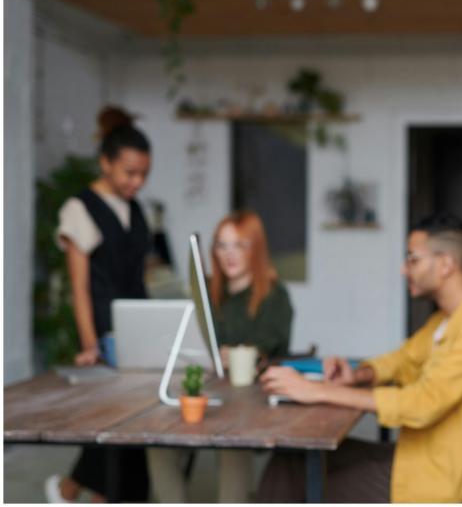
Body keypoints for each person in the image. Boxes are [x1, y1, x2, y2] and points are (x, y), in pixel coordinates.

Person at [256, 213, 462, 503]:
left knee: (300, 481)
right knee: (290, 459)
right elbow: (402, 360)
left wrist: (317, 391)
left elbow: (422, 404)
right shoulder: (448, 320)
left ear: (446, 264)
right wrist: (359, 375)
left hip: (443, 479)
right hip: (418, 456)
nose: (404, 269)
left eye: (413, 259)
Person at [146, 210, 294, 503]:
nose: (229, 254)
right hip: (207, 386)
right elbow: (194, 336)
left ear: (256, 248)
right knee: (156, 437)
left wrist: (237, 354)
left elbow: (267, 343)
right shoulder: (208, 292)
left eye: (239, 245)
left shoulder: (275, 294)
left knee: (232, 439)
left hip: (251, 395)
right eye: (222, 245)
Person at [46, 106, 152, 503]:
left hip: (137, 327)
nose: (137, 182)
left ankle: (89, 495)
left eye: (143, 174)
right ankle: (74, 491)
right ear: (105, 163)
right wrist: (90, 345)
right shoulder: (80, 209)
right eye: (129, 172)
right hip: (104, 330)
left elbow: (143, 270)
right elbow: (80, 287)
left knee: (136, 421)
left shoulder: (136, 208)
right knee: (113, 423)